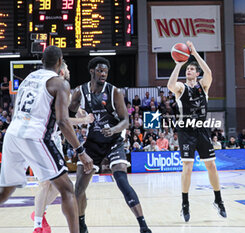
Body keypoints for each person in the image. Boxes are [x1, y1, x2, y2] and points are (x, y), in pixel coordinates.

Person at [0, 46, 93, 233]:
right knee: (67, 189)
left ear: (43, 61)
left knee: (5, 191)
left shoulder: (27, 78)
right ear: (60, 62)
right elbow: (62, 121)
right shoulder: (60, 83)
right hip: (35, 137)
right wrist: (81, 152)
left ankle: (38, 219)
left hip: (12, 134)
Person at [68, 57, 151, 233]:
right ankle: (82, 224)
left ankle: (143, 226)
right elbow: (67, 118)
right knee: (79, 188)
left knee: (122, 180)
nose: (103, 73)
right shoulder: (79, 92)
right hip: (92, 143)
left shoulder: (114, 92)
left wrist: (113, 130)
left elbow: (126, 121)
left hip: (113, 141)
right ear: (92, 71)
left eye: (105, 71)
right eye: (100, 70)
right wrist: (81, 118)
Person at [31, 61, 95, 233]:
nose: (68, 71)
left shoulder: (57, 89)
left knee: (56, 186)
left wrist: (79, 109)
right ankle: (37, 221)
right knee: (48, 184)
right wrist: (83, 120)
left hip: (51, 141)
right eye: (66, 68)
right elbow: (63, 122)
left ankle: (39, 213)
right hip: (44, 140)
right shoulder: (56, 86)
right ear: (60, 71)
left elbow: (65, 111)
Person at [167, 41, 226, 222]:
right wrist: (178, 64)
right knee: (188, 167)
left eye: (192, 70)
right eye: (188, 70)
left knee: (211, 166)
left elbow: (209, 73)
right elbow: (170, 85)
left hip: (201, 130)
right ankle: (185, 204)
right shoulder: (181, 88)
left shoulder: (203, 86)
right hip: (185, 130)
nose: (189, 71)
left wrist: (195, 54)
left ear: (197, 73)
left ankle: (218, 200)